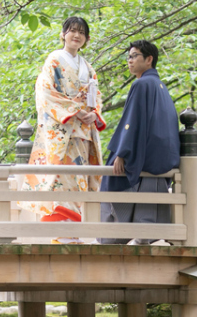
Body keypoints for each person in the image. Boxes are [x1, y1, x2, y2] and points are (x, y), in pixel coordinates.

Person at [20, 16, 106, 240]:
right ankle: (61, 233)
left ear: (86, 39)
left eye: (81, 33)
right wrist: (75, 111)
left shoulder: (87, 66)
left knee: (79, 180)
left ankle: (73, 232)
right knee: (62, 180)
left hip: (83, 131)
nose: (76, 35)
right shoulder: (54, 60)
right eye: (72, 31)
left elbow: (96, 96)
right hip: (63, 131)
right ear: (63, 34)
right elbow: (45, 92)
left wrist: (93, 113)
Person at [99, 39, 180, 244]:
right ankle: (144, 236)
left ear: (149, 59)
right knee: (149, 201)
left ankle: (111, 238)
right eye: (128, 57)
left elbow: (132, 122)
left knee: (112, 179)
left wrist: (122, 152)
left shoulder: (142, 83)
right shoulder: (160, 85)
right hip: (161, 157)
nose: (129, 61)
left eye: (134, 56)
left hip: (145, 156)